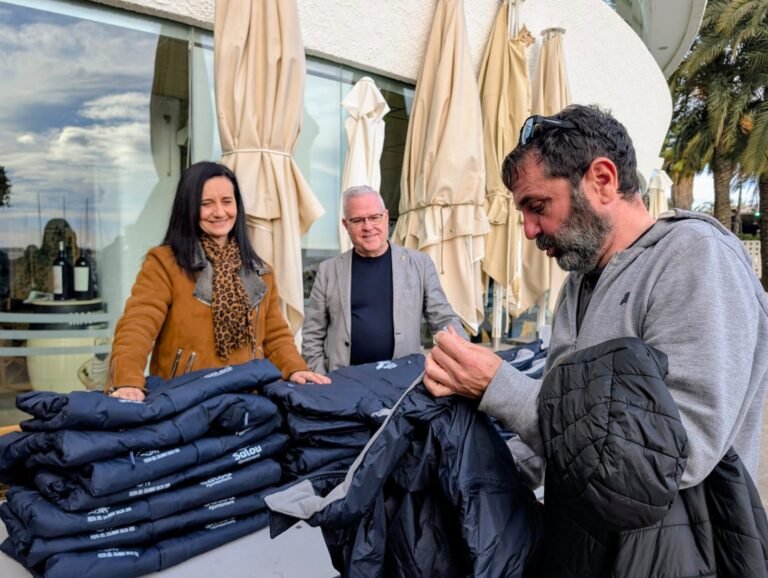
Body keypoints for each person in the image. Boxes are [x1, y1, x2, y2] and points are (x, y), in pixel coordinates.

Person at [424, 104, 768, 489]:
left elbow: (675, 456)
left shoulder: (695, 256)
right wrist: (482, 473)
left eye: (537, 206)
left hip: (682, 529)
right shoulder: (580, 282)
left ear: (602, 180)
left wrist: (499, 387)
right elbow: (562, 433)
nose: (529, 230)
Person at [108, 161, 329, 401]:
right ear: (188, 208)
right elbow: (137, 326)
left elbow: (276, 336)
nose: (220, 212)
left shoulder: (261, 271)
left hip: (247, 399)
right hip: (185, 400)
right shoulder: (164, 263)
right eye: (206, 204)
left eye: (227, 201)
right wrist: (127, 380)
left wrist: (296, 368)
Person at [302, 185, 467, 374]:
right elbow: (312, 334)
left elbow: (443, 318)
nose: (368, 227)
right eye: (358, 220)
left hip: (402, 379)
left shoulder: (420, 264)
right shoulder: (328, 271)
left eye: (374, 217)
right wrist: (322, 377)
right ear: (346, 225)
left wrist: (465, 354)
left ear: (386, 217)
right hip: (344, 381)